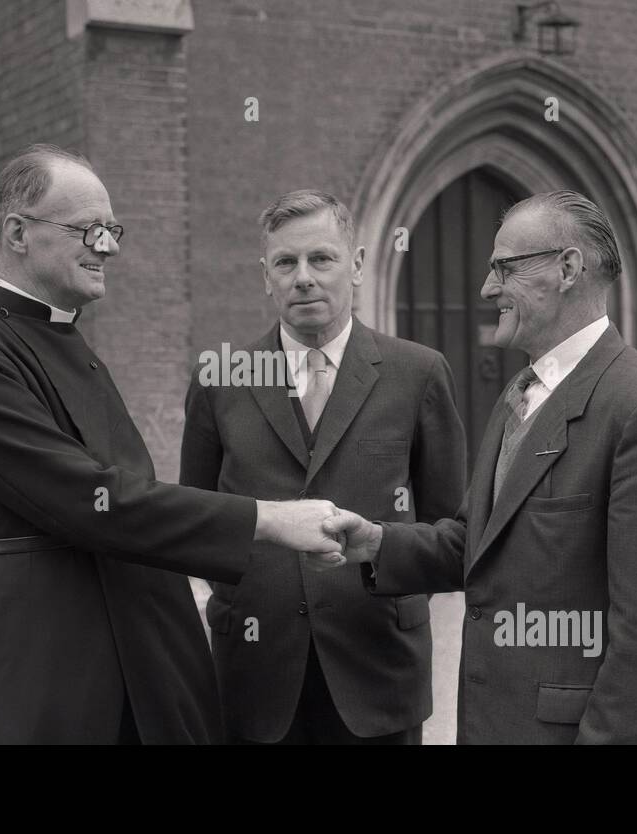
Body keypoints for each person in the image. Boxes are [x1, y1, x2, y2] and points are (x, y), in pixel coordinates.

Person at [0, 144, 342, 744]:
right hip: (46, 652)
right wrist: (267, 519)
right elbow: (86, 498)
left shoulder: (72, 343)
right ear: (18, 232)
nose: (108, 247)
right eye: (89, 229)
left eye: (112, 230)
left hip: (144, 644)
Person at [326, 190, 637, 744]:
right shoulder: (523, 390)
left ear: (568, 269)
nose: (487, 289)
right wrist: (375, 543)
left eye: (504, 268)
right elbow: (478, 544)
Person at [180, 190, 465, 744]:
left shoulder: (419, 374)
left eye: (322, 259)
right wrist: (252, 596)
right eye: (286, 262)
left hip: (378, 670)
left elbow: (451, 533)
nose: (303, 277)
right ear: (266, 276)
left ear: (356, 266)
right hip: (254, 674)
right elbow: (199, 520)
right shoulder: (221, 379)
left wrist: (385, 575)